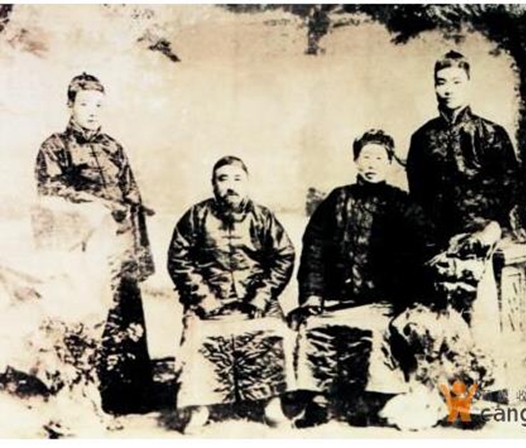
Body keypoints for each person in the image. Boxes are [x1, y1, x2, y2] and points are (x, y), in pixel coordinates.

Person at [291, 129, 437, 428]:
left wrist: (407, 299)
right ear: (356, 160)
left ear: (390, 164)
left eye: (380, 158)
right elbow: (314, 249)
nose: (372, 164)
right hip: (337, 299)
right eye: (366, 157)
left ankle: (368, 401)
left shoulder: (403, 204)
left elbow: (422, 252)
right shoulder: (338, 199)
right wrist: (313, 295)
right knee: (315, 328)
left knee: (374, 333)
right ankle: (319, 401)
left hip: (382, 302)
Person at [34, 73, 155, 415]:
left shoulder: (114, 147)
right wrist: (97, 204)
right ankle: (88, 395)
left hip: (120, 243)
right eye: (85, 104)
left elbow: (131, 192)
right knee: (91, 313)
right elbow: (50, 192)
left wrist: (137, 246)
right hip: (84, 245)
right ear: (69, 105)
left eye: (98, 105)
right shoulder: (54, 147)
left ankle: (132, 399)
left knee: (126, 311)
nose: (92, 111)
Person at [167, 156, 296, 433]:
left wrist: (262, 296)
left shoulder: (262, 217)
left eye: (237, 179)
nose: (231, 186)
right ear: (213, 185)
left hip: (255, 302)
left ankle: (272, 403)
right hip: (210, 303)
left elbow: (284, 256)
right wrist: (205, 299)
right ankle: (200, 407)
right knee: (198, 336)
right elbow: (179, 260)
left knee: (273, 331)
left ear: (247, 183)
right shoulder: (196, 216)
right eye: (223, 179)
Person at [406, 50, 522, 245]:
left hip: (486, 234)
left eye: (456, 82)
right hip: (435, 239)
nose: (448, 90)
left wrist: (483, 229)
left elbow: (510, 190)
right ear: (435, 87)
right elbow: (418, 196)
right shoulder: (421, 138)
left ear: (468, 84)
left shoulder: (491, 133)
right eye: (441, 83)